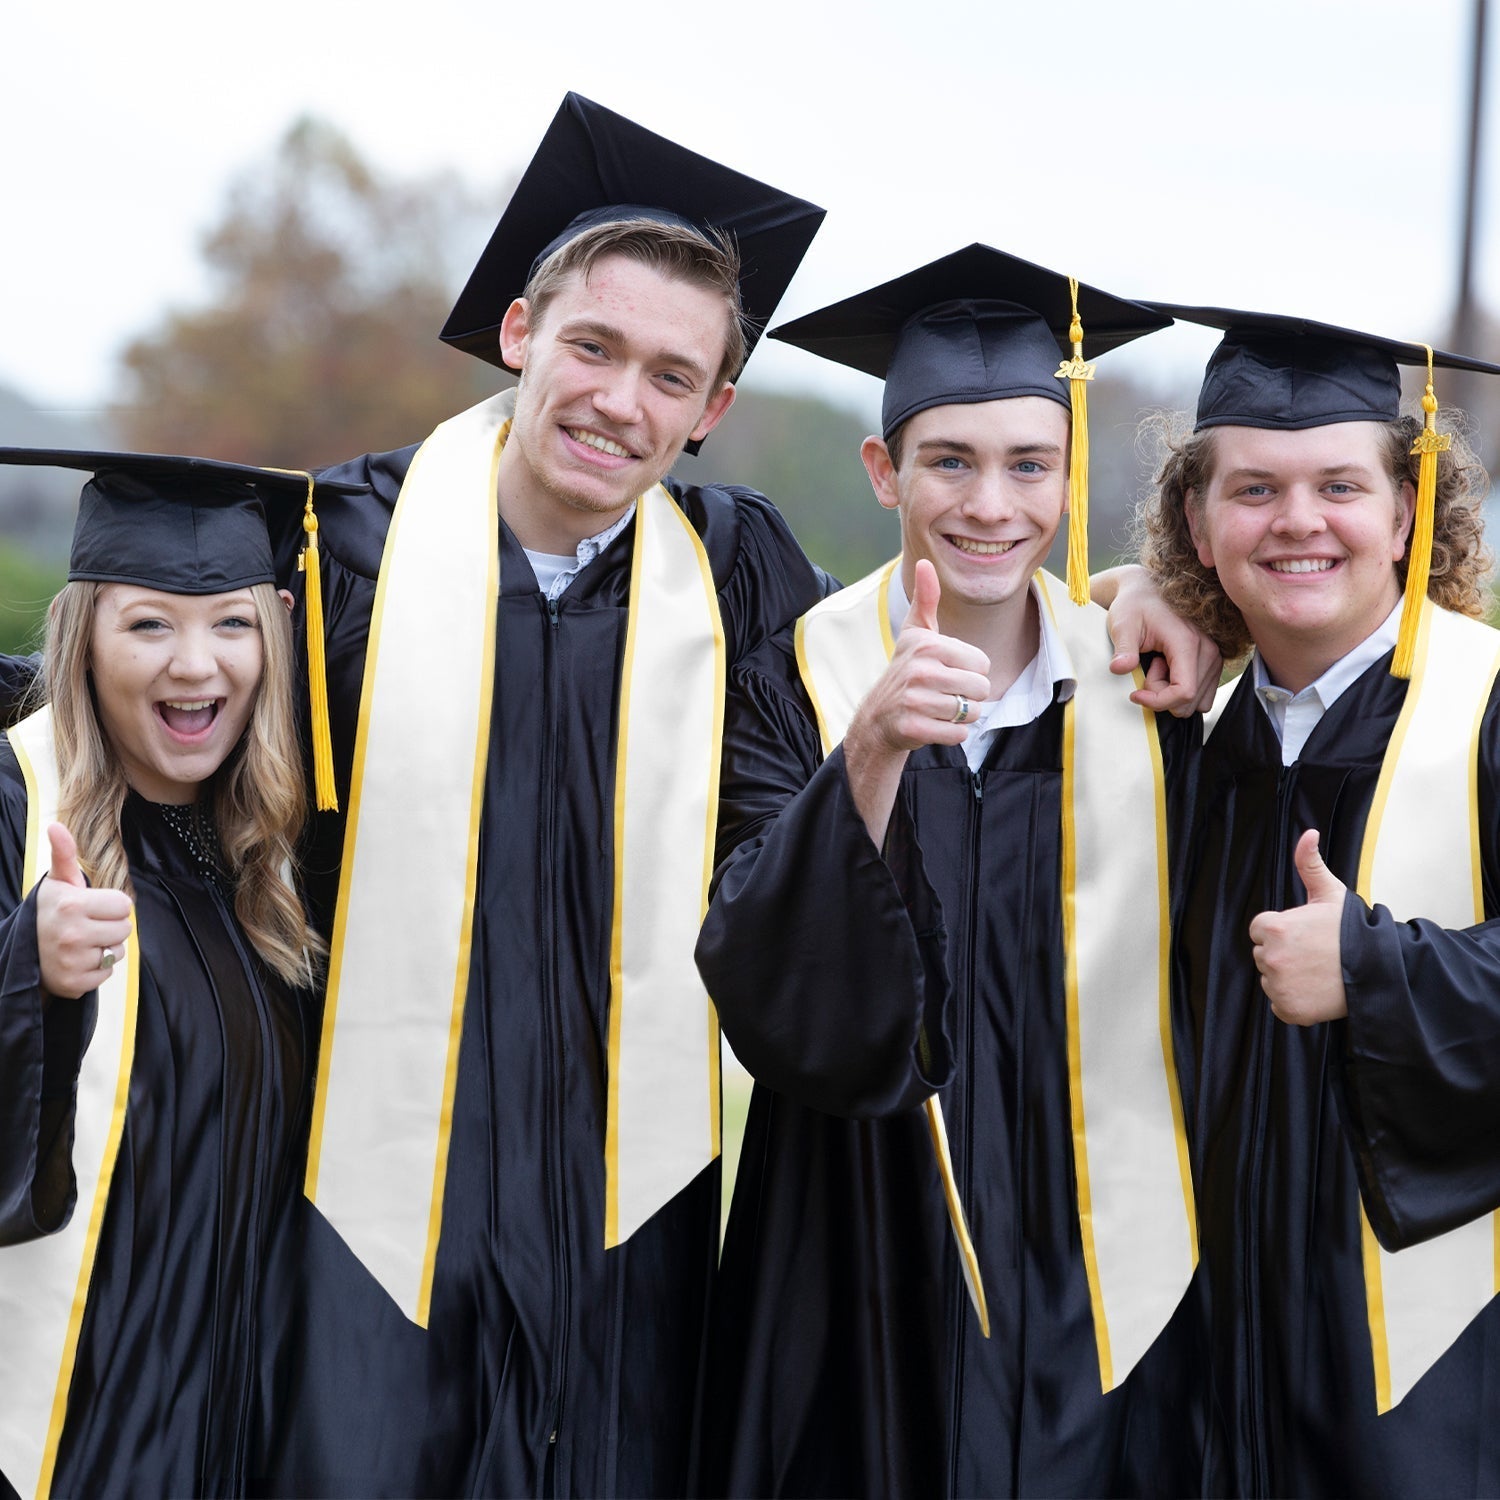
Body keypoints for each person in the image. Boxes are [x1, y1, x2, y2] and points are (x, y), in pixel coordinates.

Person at [255, 95, 830, 1497]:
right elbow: (148, 709)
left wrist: (1134, 607)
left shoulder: (738, 571)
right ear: (520, 335)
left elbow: (874, 746)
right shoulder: (344, 548)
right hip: (372, 1180)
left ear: (711, 412)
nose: (619, 401)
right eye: (592, 346)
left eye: (669, 375)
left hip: (630, 1196)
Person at [693, 246, 1206, 1498]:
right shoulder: (794, 679)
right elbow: (755, 968)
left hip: (1098, 1258)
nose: (993, 504)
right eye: (950, 462)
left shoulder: (1154, 691)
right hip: (853, 1248)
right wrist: (867, 747)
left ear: (1070, 471)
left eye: (1030, 464)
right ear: (885, 472)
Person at [1132, 306, 1500, 1497]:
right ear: (1196, 519)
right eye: (1254, 490)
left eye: (1339, 485)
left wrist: (1378, 967)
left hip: (1441, 1374)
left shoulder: (1485, 710)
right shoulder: (1170, 741)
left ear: (1406, 509)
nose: (1298, 522)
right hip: (1211, 1374)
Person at [0, 451, 348, 1499]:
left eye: (232, 624)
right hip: (70, 1421)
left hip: (233, 1415)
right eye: (149, 624)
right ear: (84, 637)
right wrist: (30, 969)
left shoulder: (268, 863)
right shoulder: (16, 806)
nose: (196, 666)